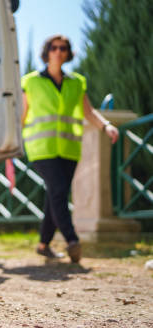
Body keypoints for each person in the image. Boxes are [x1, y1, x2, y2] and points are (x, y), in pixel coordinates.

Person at [21, 34, 118, 263]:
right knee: (58, 189)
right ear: (47, 52)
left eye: (63, 48)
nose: (58, 51)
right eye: (53, 48)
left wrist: (106, 126)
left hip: (69, 148)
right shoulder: (31, 81)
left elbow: (88, 111)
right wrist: (10, 146)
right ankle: (72, 240)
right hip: (40, 147)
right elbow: (22, 115)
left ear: (67, 53)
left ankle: (43, 245)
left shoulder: (77, 82)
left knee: (56, 194)